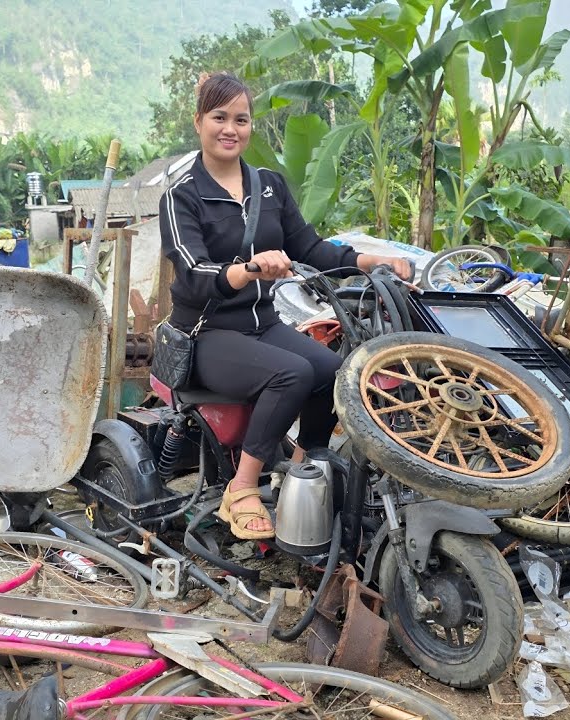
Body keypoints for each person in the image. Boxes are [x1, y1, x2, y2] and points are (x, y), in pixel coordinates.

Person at [159, 72, 413, 540]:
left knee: (339, 371)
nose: (230, 128)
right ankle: (241, 489)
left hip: (263, 324)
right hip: (207, 334)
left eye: (241, 119)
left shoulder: (269, 185)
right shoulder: (181, 197)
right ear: (199, 122)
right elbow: (193, 274)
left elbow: (311, 249)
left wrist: (371, 259)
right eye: (219, 117)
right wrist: (249, 269)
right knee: (290, 373)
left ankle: (303, 468)